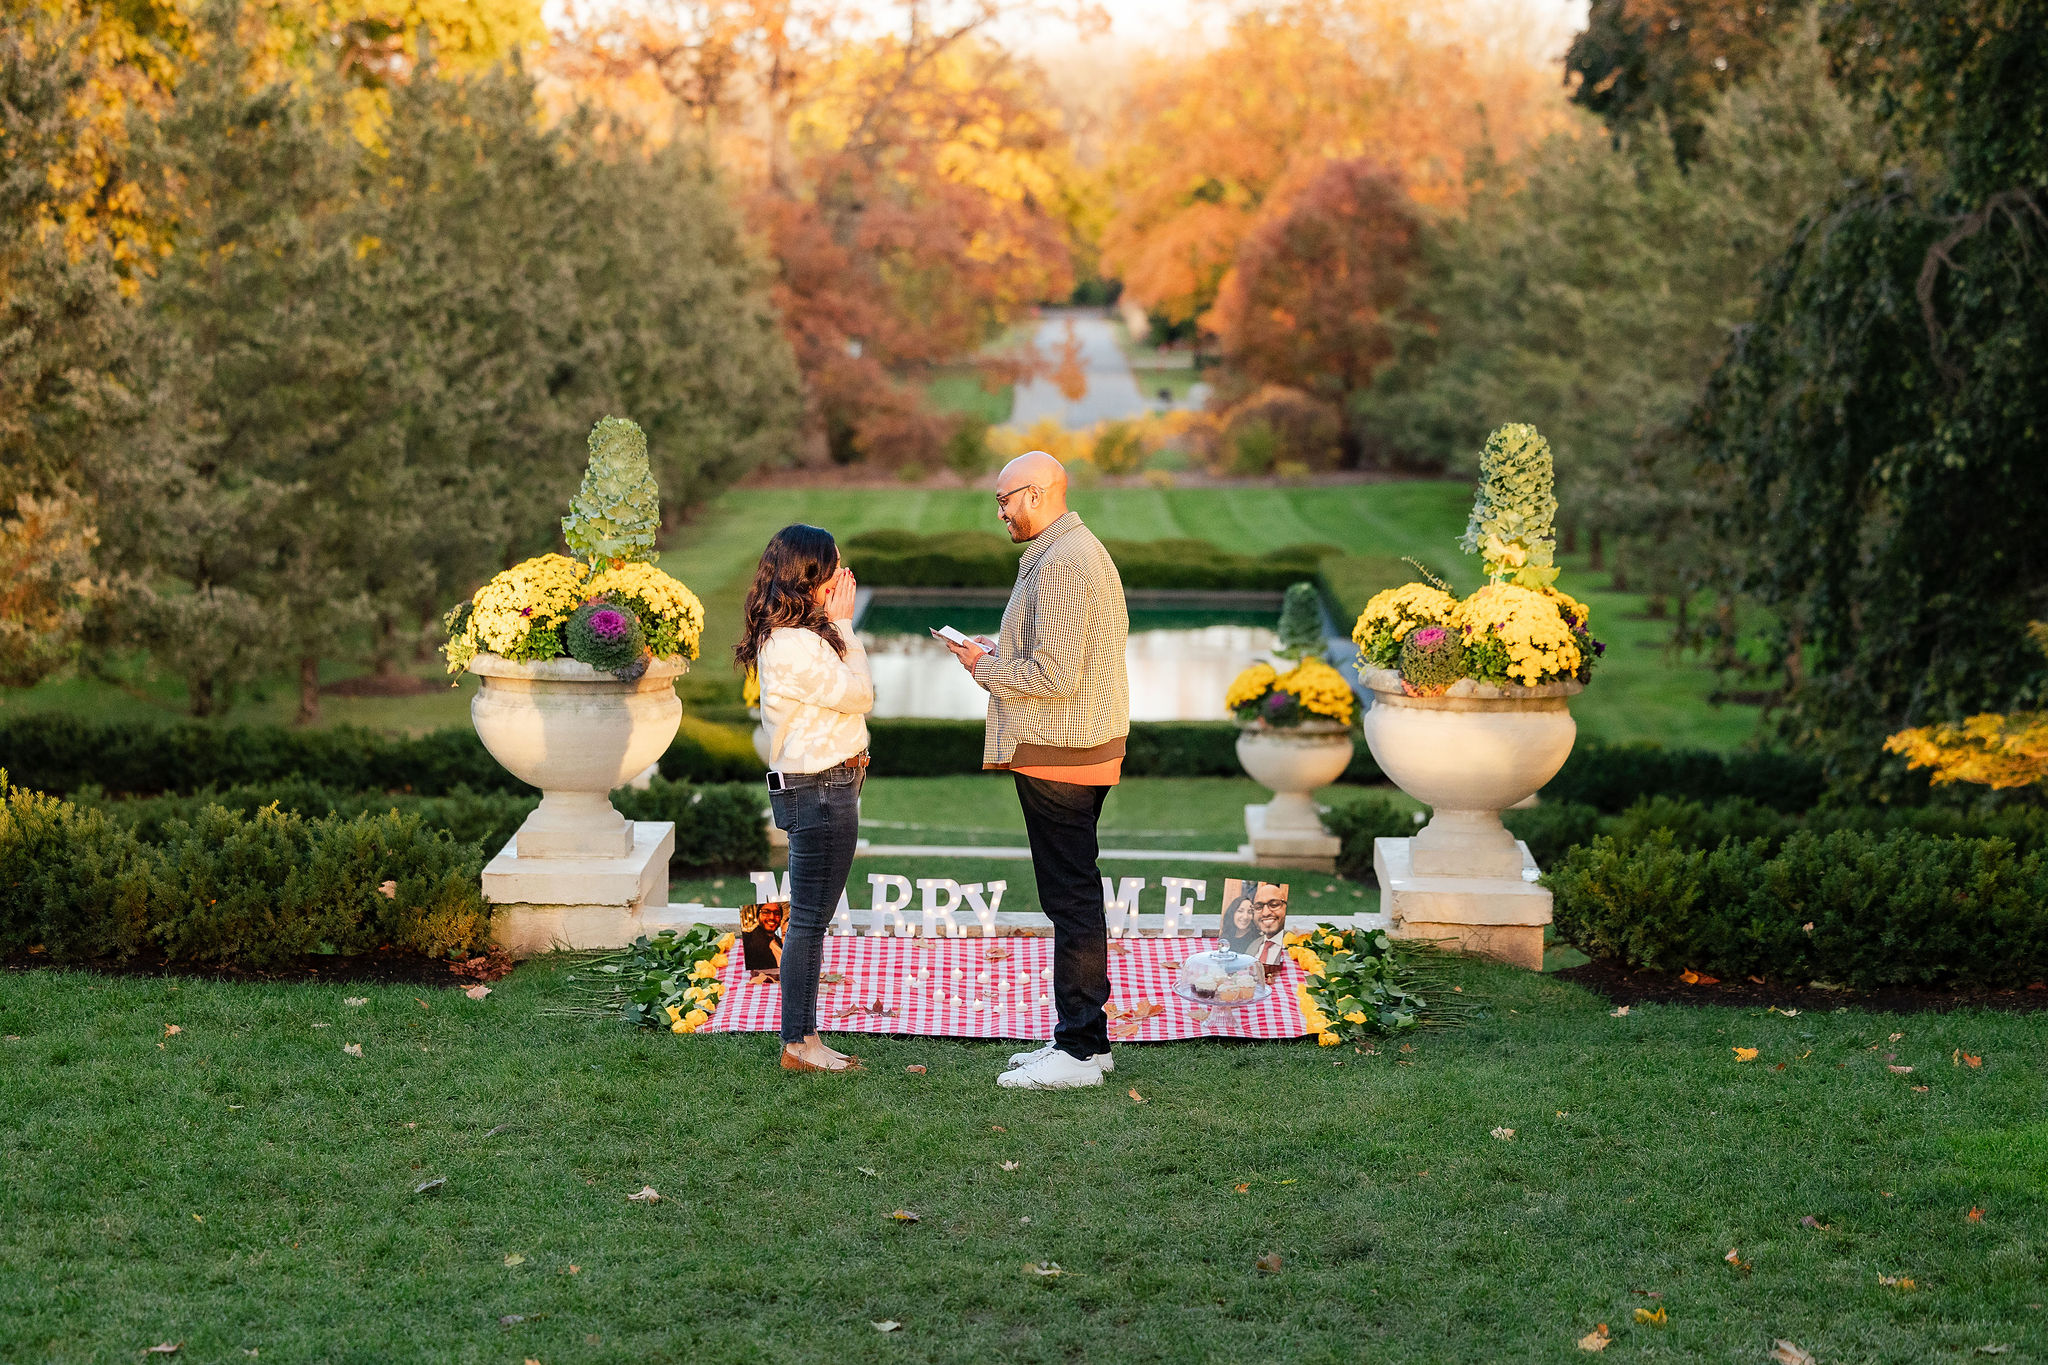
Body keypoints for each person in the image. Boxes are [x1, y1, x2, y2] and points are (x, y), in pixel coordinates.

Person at [940, 450, 1130, 1090]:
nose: (1000, 512)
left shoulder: (1064, 562)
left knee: (1070, 898)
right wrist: (999, 651)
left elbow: (1055, 678)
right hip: (1070, 744)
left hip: (1063, 750)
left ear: (1038, 493)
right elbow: (1057, 656)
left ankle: (1077, 1052)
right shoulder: (1061, 551)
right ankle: (1086, 1043)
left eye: (1004, 500)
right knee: (1072, 893)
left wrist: (982, 666)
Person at [735, 524, 873, 1074]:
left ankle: (804, 1038)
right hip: (819, 791)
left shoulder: (800, 634)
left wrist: (836, 627)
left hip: (826, 786)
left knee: (812, 918)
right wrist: (847, 626)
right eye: (835, 567)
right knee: (810, 922)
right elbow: (860, 694)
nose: (844, 577)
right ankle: (799, 1043)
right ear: (810, 577)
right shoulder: (793, 644)